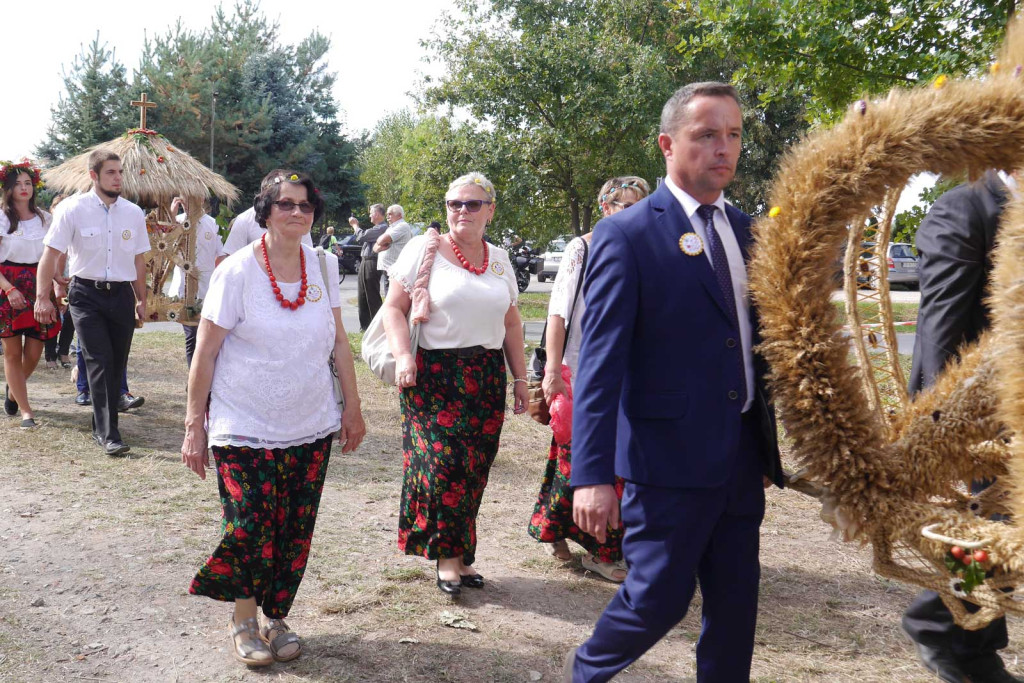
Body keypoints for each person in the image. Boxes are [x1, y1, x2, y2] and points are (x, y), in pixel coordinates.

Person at [563, 82, 783, 683]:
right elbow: (600, 366)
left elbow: (752, 345)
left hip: (739, 459)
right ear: (667, 144)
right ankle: (583, 675)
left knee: (737, 605)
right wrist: (591, 477)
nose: (724, 148)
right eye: (706, 134)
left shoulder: (746, 231)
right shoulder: (627, 234)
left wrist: (765, 438)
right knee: (656, 600)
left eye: (734, 135)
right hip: (666, 462)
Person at [181, 170, 366, 667]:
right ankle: (243, 619)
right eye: (286, 204)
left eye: (306, 205)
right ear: (266, 211)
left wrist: (353, 405)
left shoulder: (325, 266)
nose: (298, 213)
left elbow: (339, 342)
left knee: (294, 527)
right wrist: (193, 424)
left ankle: (276, 615)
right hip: (244, 422)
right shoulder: (237, 271)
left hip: (309, 420)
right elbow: (206, 350)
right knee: (251, 525)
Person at [901, 170, 1022, 683]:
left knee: (1000, 536)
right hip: (981, 417)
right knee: (992, 533)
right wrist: (940, 429)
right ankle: (943, 627)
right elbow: (941, 328)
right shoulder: (967, 209)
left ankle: (967, 638)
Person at [381, 172, 528, 597]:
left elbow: (512, 321)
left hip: (485, 376)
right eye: (454, 204)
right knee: (443, 467)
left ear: (490, 210)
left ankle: (461, 554)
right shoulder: (422, 248)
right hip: (433, 375)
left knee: (475, 469)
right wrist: (404, 356)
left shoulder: (498, 258)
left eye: (472, 204)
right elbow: (393, 308)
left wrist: (519, 378)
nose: (462, 211)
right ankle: (446, 558)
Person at [528, 176, 651, 583]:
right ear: (605, 209)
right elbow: (558, 315)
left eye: (639, 205)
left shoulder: (644, 250)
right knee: (583, 460)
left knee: (611, 462)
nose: (632, 213)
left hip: (629, 376)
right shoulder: (581, 249)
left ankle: (561, 531)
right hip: (582, 374)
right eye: (623, 206)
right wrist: (552, 373)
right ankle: (602, 551)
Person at [35, 150, 150, 456]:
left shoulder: (133, 213)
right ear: (94, 176)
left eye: (120, 172)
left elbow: (139, 260)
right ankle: (109, 433)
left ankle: (102, 423)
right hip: (86, 295)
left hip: (122, 295)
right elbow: (51, 255)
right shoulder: (72, 209)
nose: (118, 178)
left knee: (117, 361)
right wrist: (41, 297)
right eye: (111, 172)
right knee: (99, 359)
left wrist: (142, 300)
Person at [0, 160, 58, 429]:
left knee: (35, 350)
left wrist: (58, 278)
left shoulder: (46, 218)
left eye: (28, 183)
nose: (24, 189)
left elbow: (51, 255)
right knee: (12, 351)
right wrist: (9, 289)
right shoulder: (1, 218)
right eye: (18, 184)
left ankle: (13, 390)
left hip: (38, 283)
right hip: (7, 283)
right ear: (8, 188)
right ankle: (26, 411)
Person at [168, 196, 226, 367]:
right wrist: (171, 217)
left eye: (192, 198)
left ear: (201, 199)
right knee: (192, 335)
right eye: (183, 198)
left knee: (207, 335)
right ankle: (194, 378)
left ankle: (204, 377)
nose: (187, 203)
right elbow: (164, 248)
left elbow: (221, 256)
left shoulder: (213, 224)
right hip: (183, 289)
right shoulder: (176, 222)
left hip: (207, 288)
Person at [222, 170, 313, 256]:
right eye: (285, 203)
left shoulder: (298, 221)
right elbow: (232, 256)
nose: (296, 212)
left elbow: (307, 253)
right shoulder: (244, 220)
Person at [354, 203, 388, 330]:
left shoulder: (382, 228)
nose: (369, 216)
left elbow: (362, 236)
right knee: (362, 294)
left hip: (373, 261)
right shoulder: (377, 228)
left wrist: (355, 225)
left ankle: (378, 327)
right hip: (365, 260)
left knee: (372, 294)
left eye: (371, 213)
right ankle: (365, 327)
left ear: (378, 214)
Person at [374, 204, 413, 296]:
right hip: (388, 270)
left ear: (399, 215)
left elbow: (381, 240)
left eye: (390, 214)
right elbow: (375, 248)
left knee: (391, 298)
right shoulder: (391, 227)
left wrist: (380, 243)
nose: (387, 216)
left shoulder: (402, 226)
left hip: (394, 270)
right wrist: (379, 246)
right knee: (388, 295)